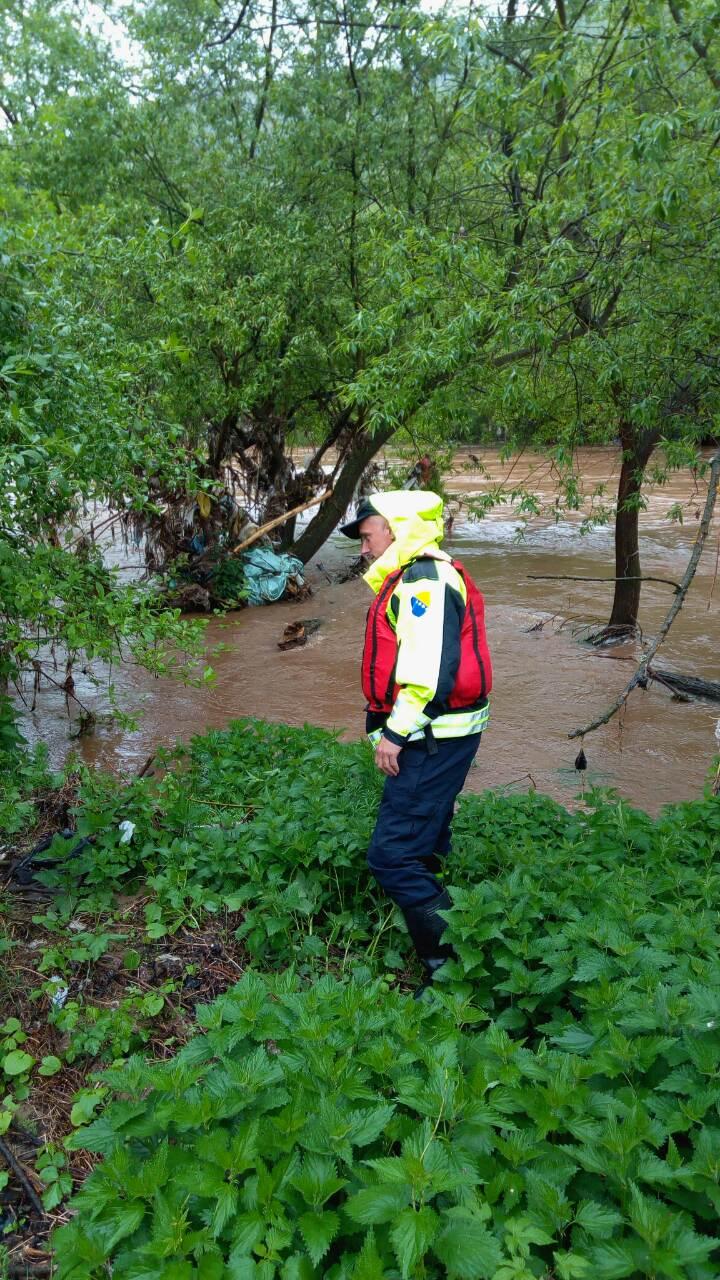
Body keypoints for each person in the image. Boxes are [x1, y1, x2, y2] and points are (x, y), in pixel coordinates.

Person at [340, 490, 492, 995]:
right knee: (425, 839)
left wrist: (395, 733)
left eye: (366, 536)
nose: (363, 548)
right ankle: (447, 921)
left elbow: (427, 672)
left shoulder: (423, 580)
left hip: (432, 735)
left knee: (392, 856)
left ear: (396, 529)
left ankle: (450, 965)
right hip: (443, 732)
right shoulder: (420, 575)